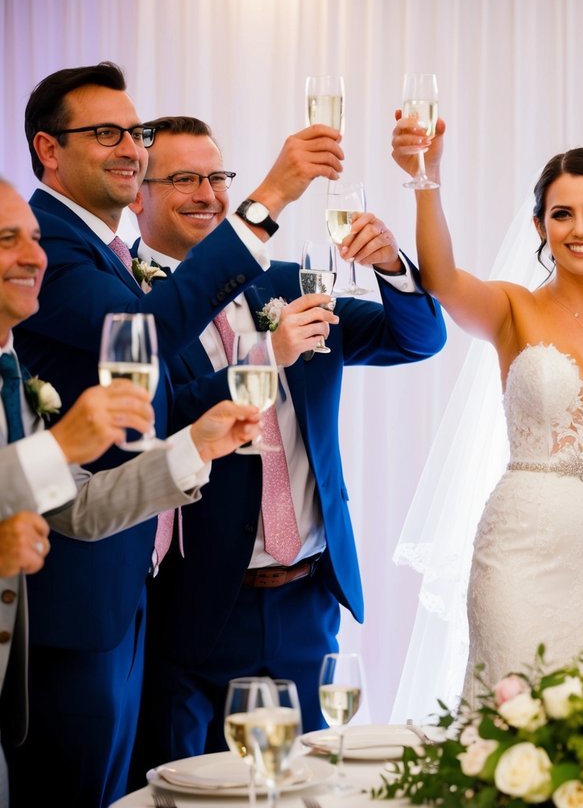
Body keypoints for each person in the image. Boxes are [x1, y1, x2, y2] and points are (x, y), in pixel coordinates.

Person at [10, 62, 341, 806]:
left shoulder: (101, 253)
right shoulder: (53, 251)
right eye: (106, 133)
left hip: (123, 581)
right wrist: (268, 199)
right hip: (72, 591)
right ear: (48, 149)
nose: (130, 146)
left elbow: (151, 396)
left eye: (134, 132)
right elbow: (147, 337)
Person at [126, 116, 446, 767]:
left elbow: (418, 339)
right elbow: (151, 419)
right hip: (196, 602)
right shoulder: (131, 304)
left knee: (309, 780)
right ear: (137, 193)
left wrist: (390, 264)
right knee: (191, 784)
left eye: (218, 177)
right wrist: (263, 357)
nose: (208, 194)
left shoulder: (288, 282)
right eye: (184, 178)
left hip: (308, 597)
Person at [391, 114, 583, 697]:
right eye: (562, 214)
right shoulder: (511, 309)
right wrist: (426, 180)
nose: (579, 228)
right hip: (518, 560)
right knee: (512, 728)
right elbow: (440, 278)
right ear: (539, 226)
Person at [0, 170, 259, 807]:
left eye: (35, 238)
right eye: (7, 239)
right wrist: (62, 442)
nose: (36, 256)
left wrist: (195, 447)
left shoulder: (10, 371)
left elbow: (75, 506)